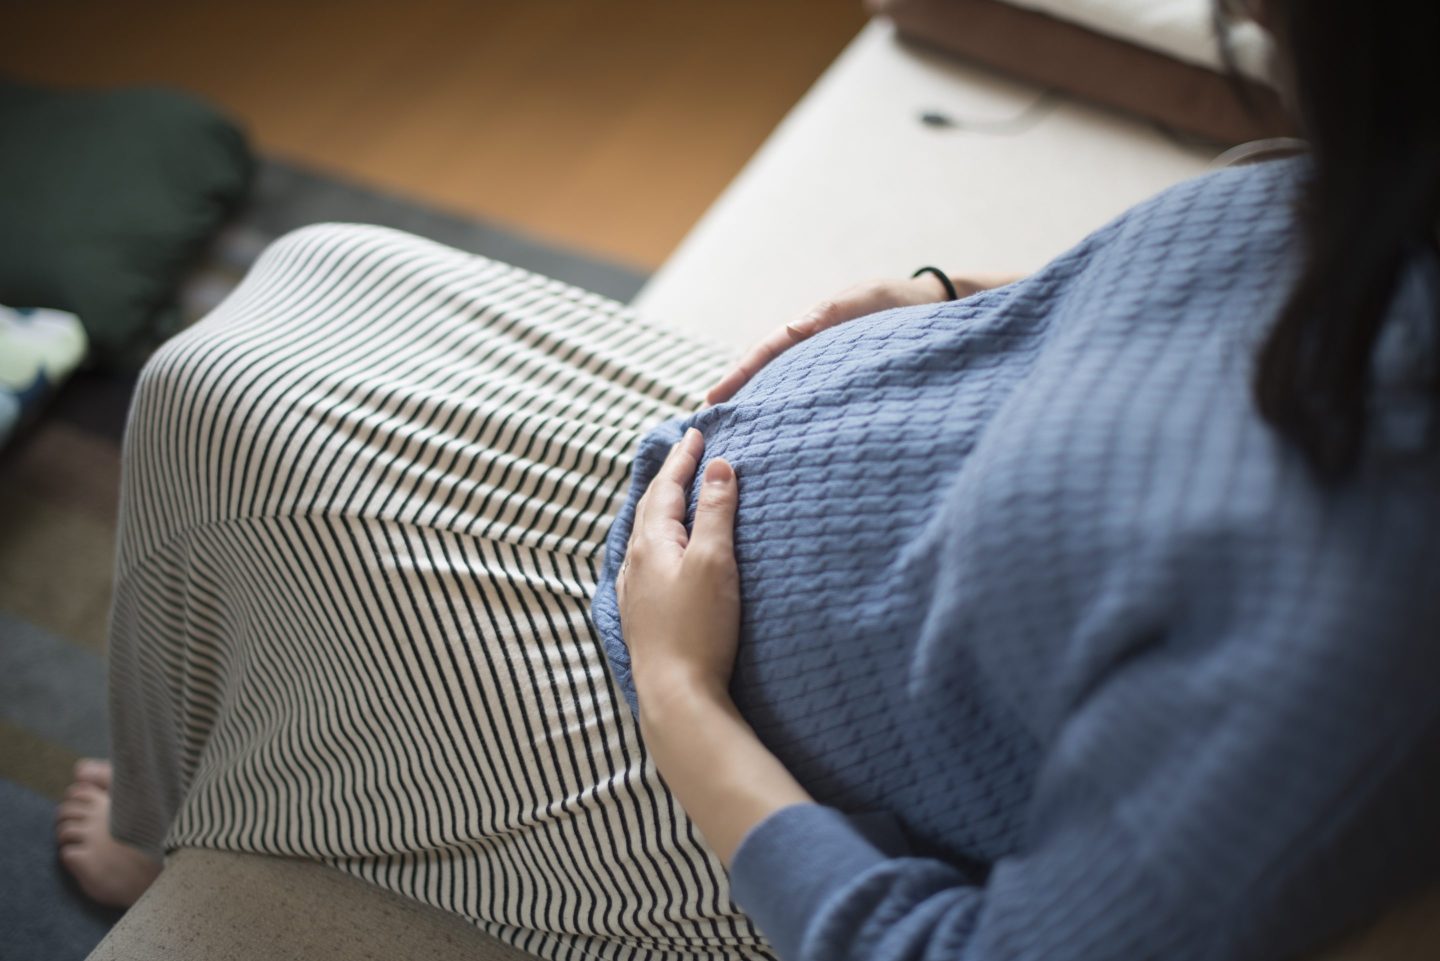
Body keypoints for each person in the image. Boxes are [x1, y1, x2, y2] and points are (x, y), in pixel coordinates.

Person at [57, 1, 1439, 958]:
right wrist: (959, 296)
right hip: (729, 500)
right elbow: (1248, 260)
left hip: (738, 762)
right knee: (295, 303)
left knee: (231, 423)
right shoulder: (1394, 207)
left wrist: (680, 692)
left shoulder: (1353, 640)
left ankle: (166, 829)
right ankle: (180, 790)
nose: (1247, 35)